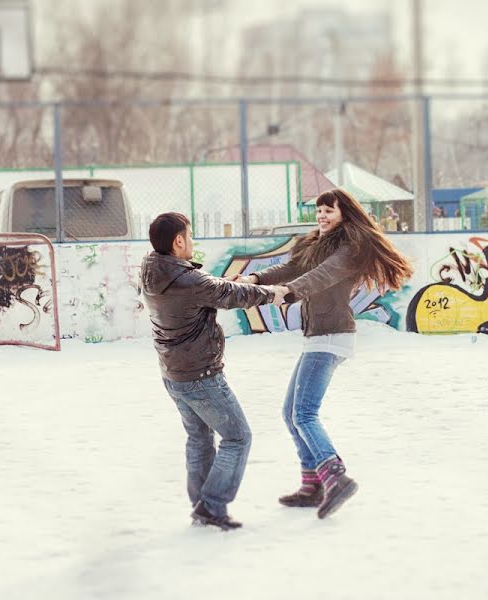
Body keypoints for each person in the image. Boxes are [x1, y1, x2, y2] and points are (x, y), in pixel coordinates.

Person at [236, 188, 413, 519]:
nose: (322, 217)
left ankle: (335, 476)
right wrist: (256, 278)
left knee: (303, 413)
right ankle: (312, 485)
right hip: (318, 336)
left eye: (329, 211)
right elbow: (291, 269)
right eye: (319, 211)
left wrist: (289, 293)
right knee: (291, 413)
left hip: (333, 336)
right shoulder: (313, 244)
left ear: (344, 212)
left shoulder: (349, 248)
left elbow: (322, 275)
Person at [141, 212, 285, 531]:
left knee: (199, 437)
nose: (192, 241)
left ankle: (202, 507)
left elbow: (211, 290)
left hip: (173, 373)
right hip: (200, 376)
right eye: (190, 236)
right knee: (237, 437)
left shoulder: (154, 269)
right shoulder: (187, 281)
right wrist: (271, 293)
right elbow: (228, 295)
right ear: (178, 242)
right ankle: (213, 505)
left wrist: (224, 285)